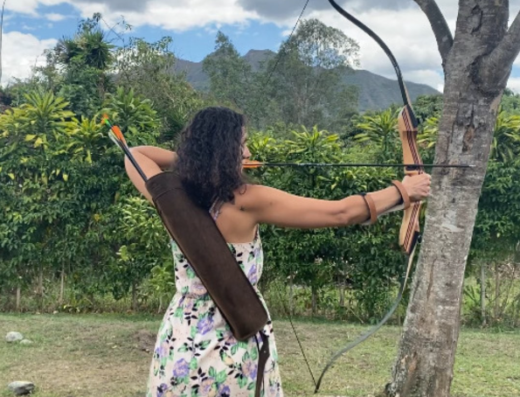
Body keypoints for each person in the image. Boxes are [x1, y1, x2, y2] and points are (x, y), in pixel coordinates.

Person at [124, 107, 431, 397]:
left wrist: (201, 161)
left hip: (182, 336)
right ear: (223, 149)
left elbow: (136, 155)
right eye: (240, 145)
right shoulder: (246, 200)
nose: (247, 153)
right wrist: (404, 192)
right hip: (232, 336)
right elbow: (340, 213)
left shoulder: (174, 199)